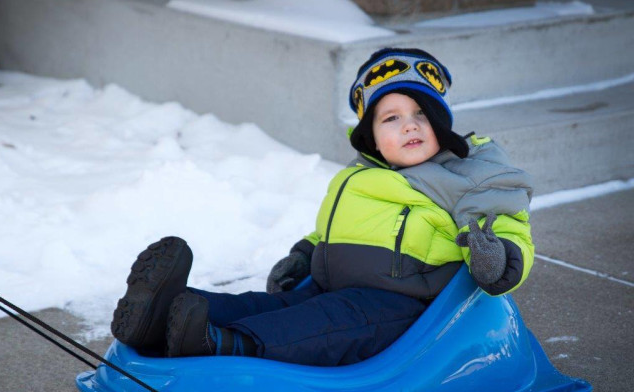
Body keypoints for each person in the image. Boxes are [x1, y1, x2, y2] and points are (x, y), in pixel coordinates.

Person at [110, 47, 534, 367]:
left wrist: (499, 259)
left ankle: (218, 342)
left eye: (422, 114)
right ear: (371, 138)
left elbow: (509, 223)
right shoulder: (358, 176)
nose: (409, 125)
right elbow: (332, 231)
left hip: (403, 307)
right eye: (391, 118)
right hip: (333, 287)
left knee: (319, 324)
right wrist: (306, 254)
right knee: (274, 306)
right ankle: (167, 310)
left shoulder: (469, 172)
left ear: (441, 123)